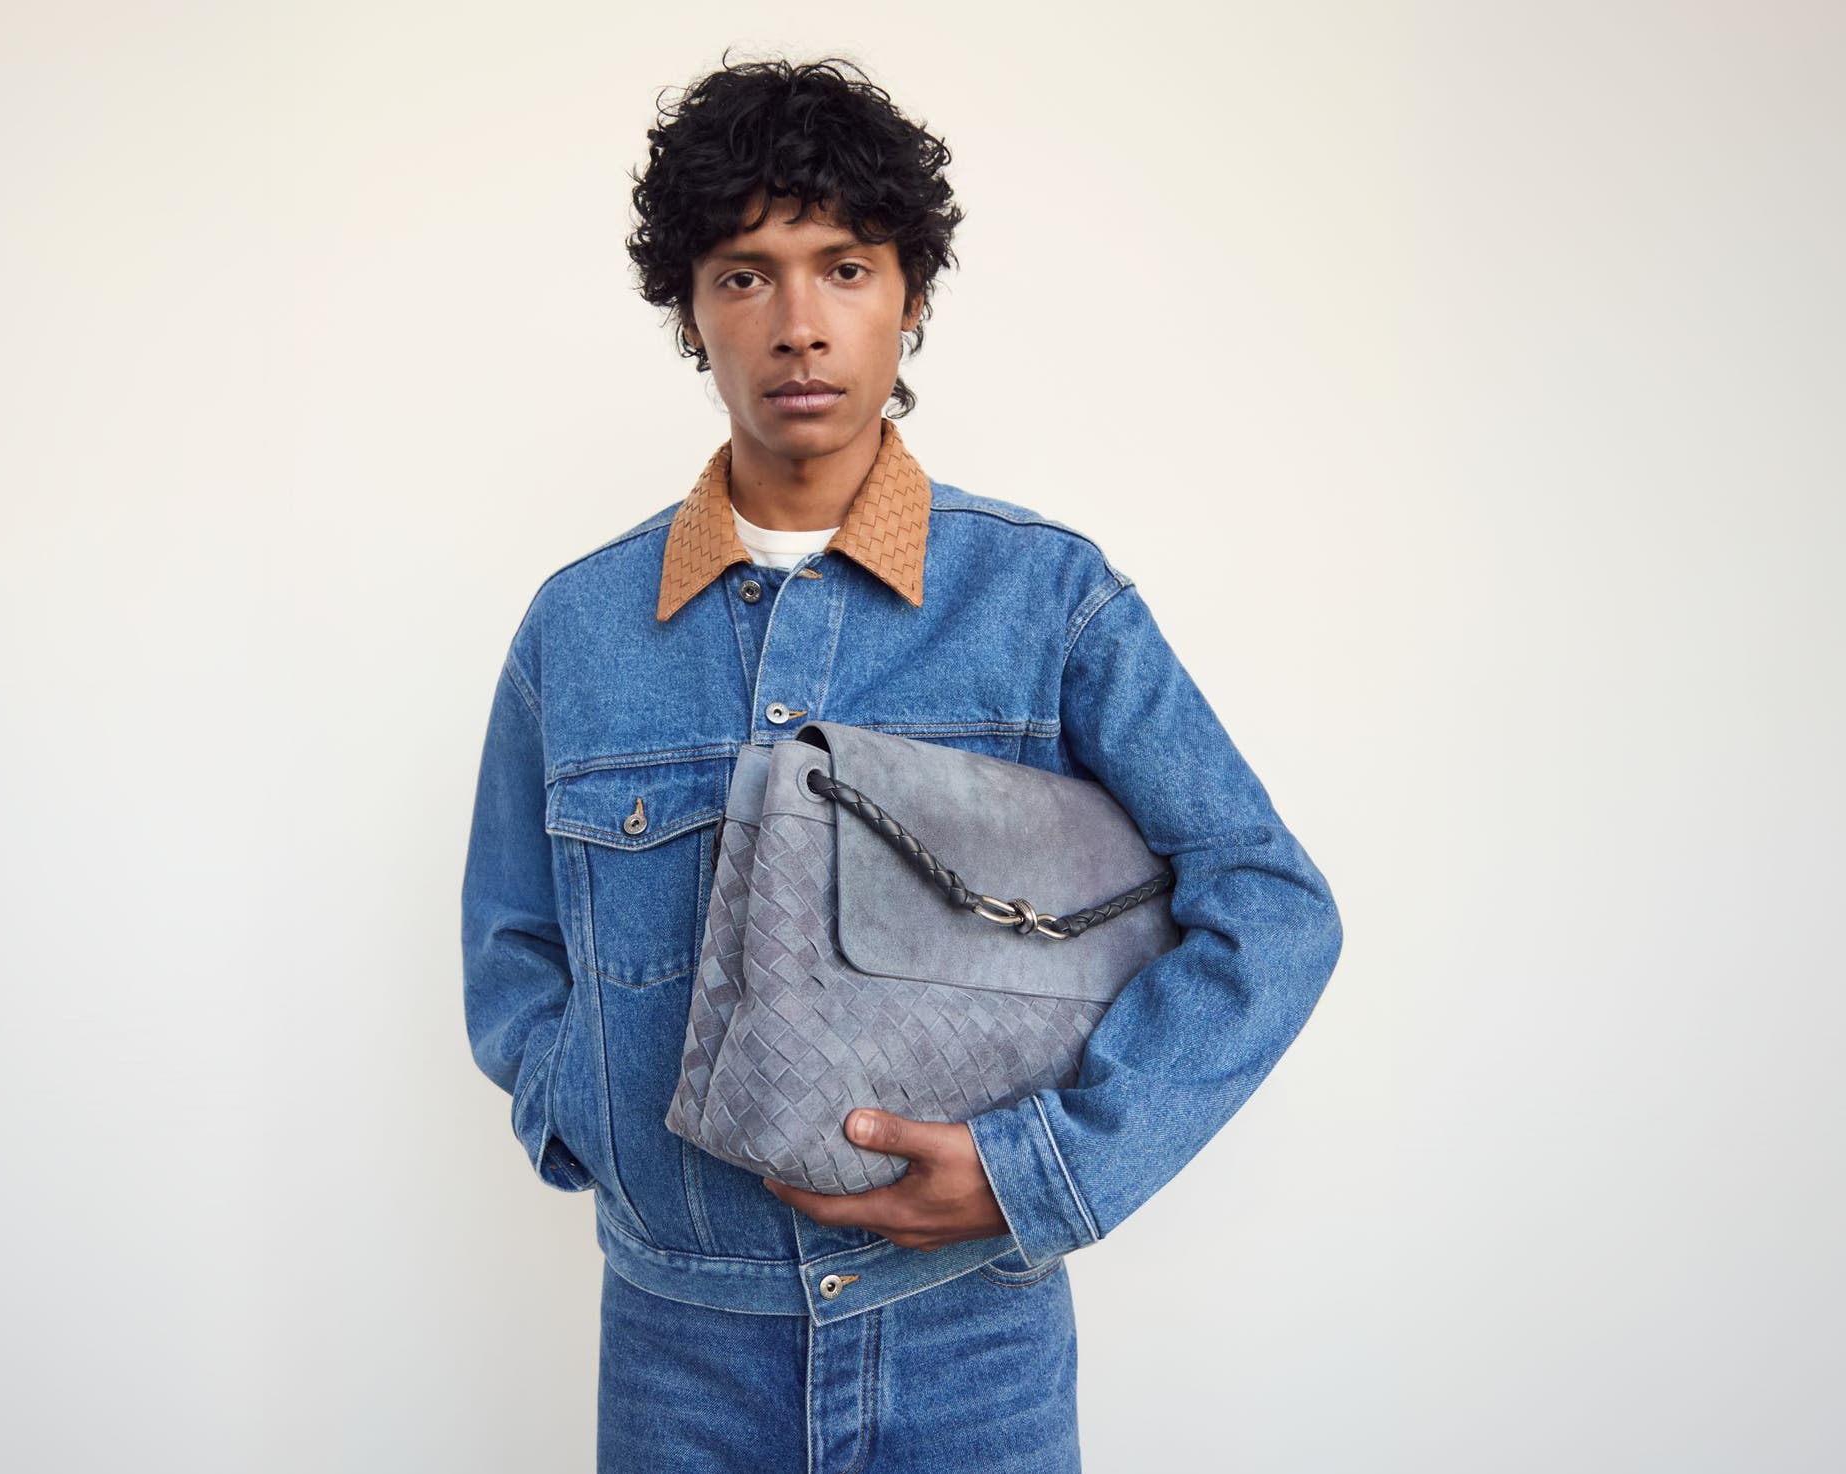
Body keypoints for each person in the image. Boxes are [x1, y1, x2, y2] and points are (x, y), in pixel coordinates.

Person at [460, 53, 1344, 1472]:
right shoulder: (578, 630)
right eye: (746, 274)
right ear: (692, 311)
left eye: (846, 268)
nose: (799, 323)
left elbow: (1272, 903)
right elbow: (510, 955)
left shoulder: (1047, 603)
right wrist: (600, 1123)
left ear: (910, 297)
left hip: (969, 1347)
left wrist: (1039, 1171)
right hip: (681, 1353)